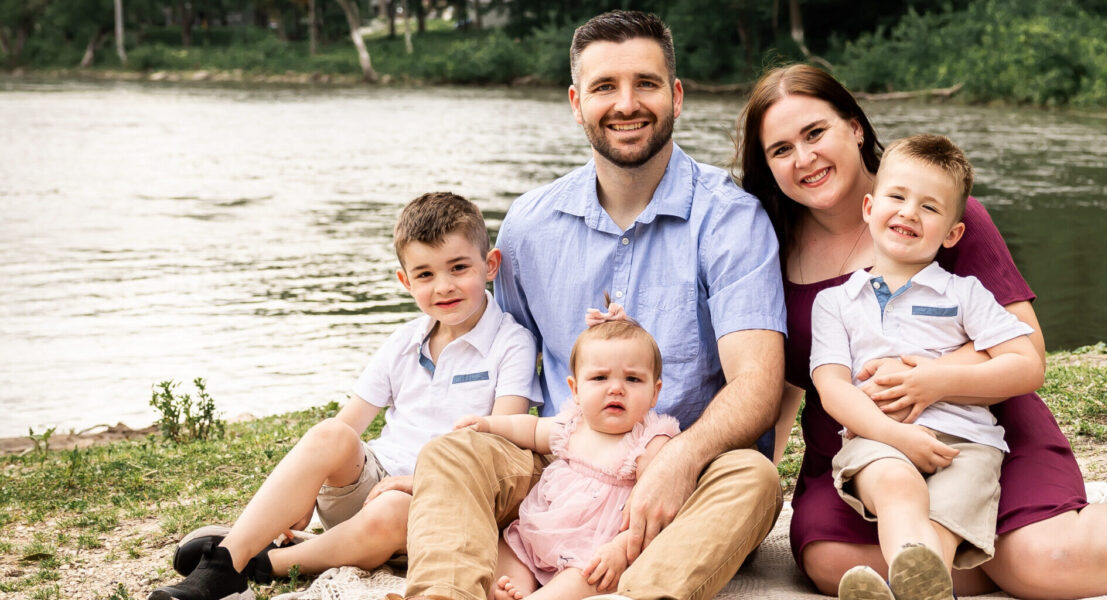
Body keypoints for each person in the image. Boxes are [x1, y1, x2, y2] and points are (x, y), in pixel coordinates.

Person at [735, 64, 1107, 599]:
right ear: (766, 165)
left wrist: (932, 379)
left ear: (855, 126)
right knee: (827, 562)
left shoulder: (942, 212)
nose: (805, 157)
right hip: (861, 442)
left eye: (815, 132)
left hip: (979, 421)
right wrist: (757, 483)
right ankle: (962, 573)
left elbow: (1025, 346)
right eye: (780, 149)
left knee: (1041, 556)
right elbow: (787, 378)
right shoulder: (765, 247)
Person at [399, 10, 786, 600]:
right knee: (455, 453)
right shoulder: (529, 225)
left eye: (646, 84)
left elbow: (757, 386)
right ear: (577, 103)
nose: (626, 103)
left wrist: (679, 461)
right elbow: (499, 357)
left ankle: (638, 593)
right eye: (605, 86)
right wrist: (423, 478)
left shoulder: (730, 219)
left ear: (676, 96)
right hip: (561, 466)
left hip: (683, 477)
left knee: (754, 478)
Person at [149, 192, 541, 600]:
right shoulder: (404, 340)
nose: (443, 286)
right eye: (424, 274)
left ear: (490, 265)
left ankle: (265, 561)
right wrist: (303, 492)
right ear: (405, 281)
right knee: (329, 434)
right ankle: (227, 560)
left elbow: (499, 446)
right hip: (370, 486)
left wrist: (415, 485)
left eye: (458, 268)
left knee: (389, 511)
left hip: (445, 500)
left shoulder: (511, 343)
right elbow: (348, 425)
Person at [808, 135, 1044, 600]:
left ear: (953, 233)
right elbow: (833, 388)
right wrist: (895, 436)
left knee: (940, 528)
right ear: (869, 207)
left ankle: (902, 592)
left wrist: (938, 381)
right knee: (895, 486)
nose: (909, 212)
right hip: (878, 438)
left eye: (929, 207)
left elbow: (1027, 366)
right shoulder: (835, 302)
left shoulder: (964, 294)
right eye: (897, 197)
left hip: (967, 445)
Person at [457, 319, 681, 600]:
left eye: (632, 379)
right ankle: (514, 587)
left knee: (587, 577)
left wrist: (621, 548)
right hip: (543, 531)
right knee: (510, 548)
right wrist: (489, 424)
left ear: (654, 393)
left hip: (597, 546)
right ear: (575, 389)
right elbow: (531, 428)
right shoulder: (573, 425)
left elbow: (651, 506)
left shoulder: (650, 442)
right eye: (600, 378)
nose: (616, 389)